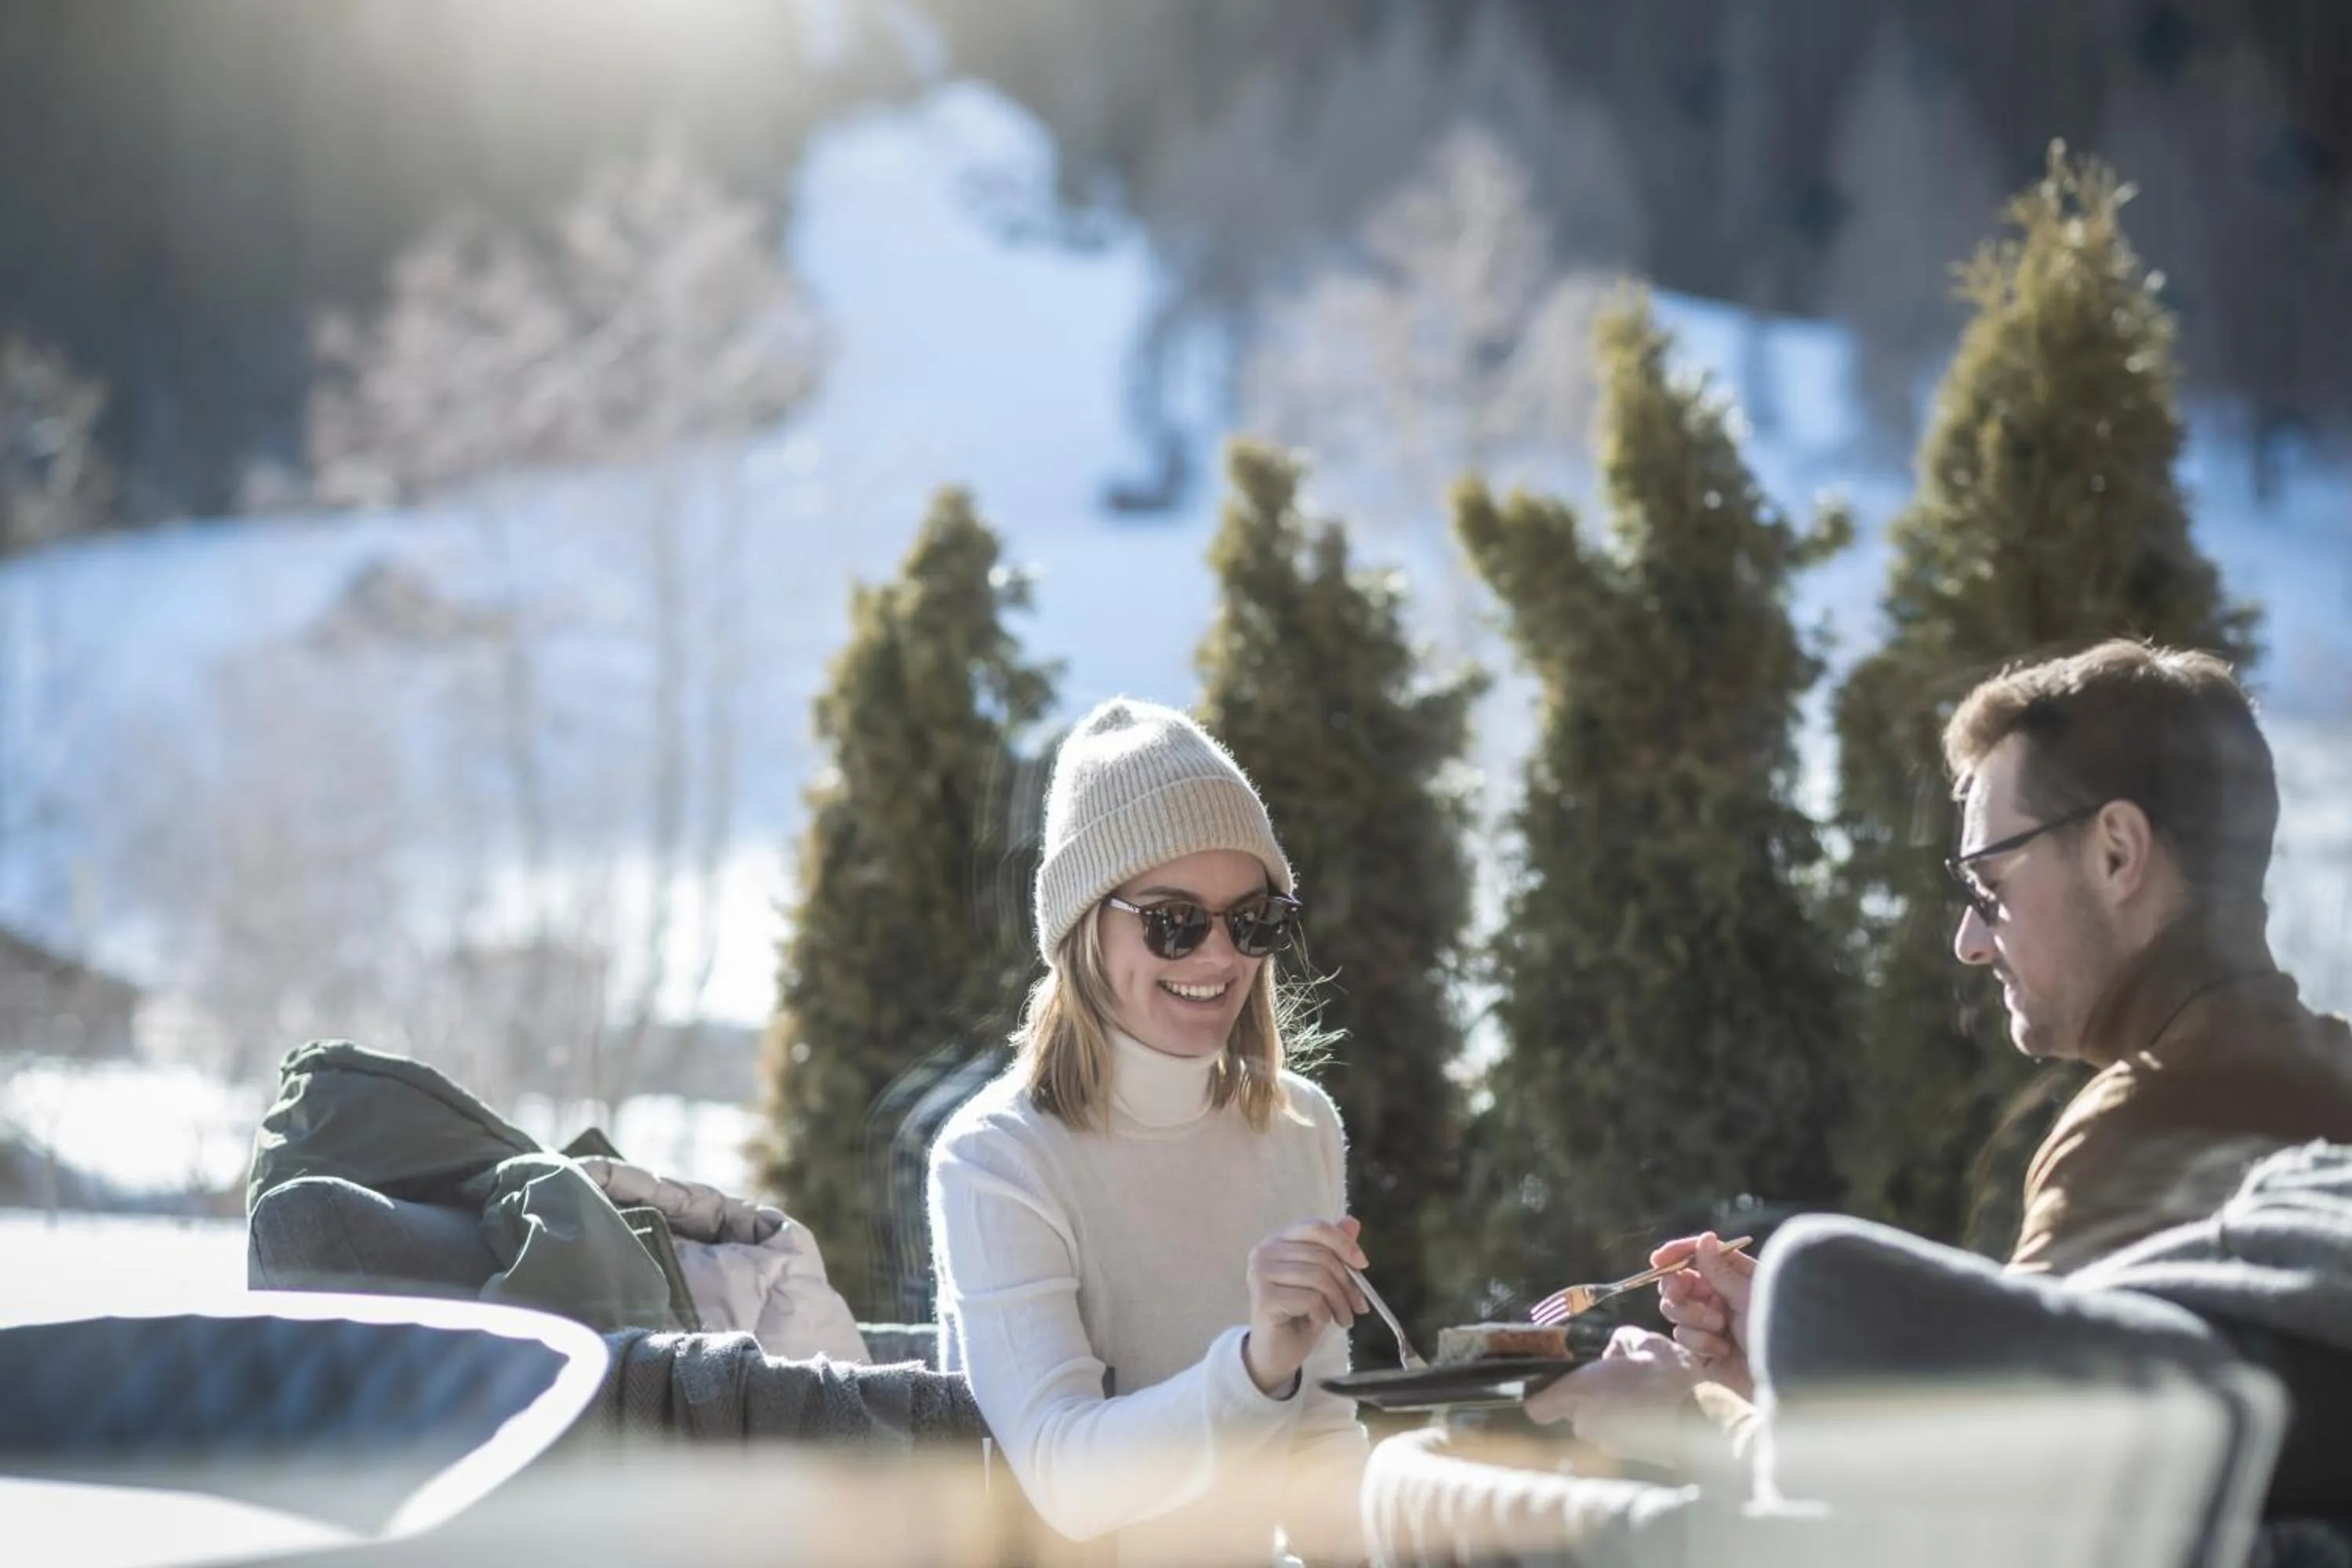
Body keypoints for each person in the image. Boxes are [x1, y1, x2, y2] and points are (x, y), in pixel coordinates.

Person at [1364, 641, 2352, 1560]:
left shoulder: (2138, 1127)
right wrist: (1793, 1372)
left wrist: (1682, 1407)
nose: (1969, 940)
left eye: (1990, 882)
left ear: (2118, 853)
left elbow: (1970, 1522)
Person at [928, 697, 1370, 1566]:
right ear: (1082, 927)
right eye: (1174, 920)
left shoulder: (1301, 1126)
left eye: (1255, 918)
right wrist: (1254, 1367)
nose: (1221, 956)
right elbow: (1064, 1475)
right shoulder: (997, 1157)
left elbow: (1319, 1440)